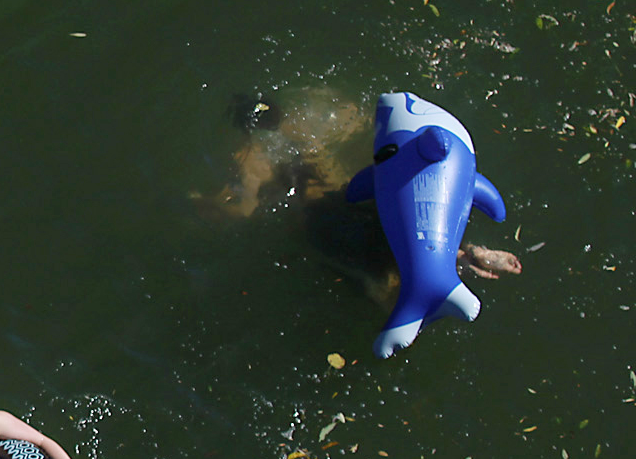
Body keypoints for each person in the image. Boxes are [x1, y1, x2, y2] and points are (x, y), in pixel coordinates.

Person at [195, 87, 522, 303]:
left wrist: (204, 205)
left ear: (244, 129)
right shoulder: (307, 126)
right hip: (351, 191)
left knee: (378, 280)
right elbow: (355, 117)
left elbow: (244, 208)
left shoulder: (250, 158)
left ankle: (418, 300)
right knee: (402, 224)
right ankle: (461, 255)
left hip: (316, 221)